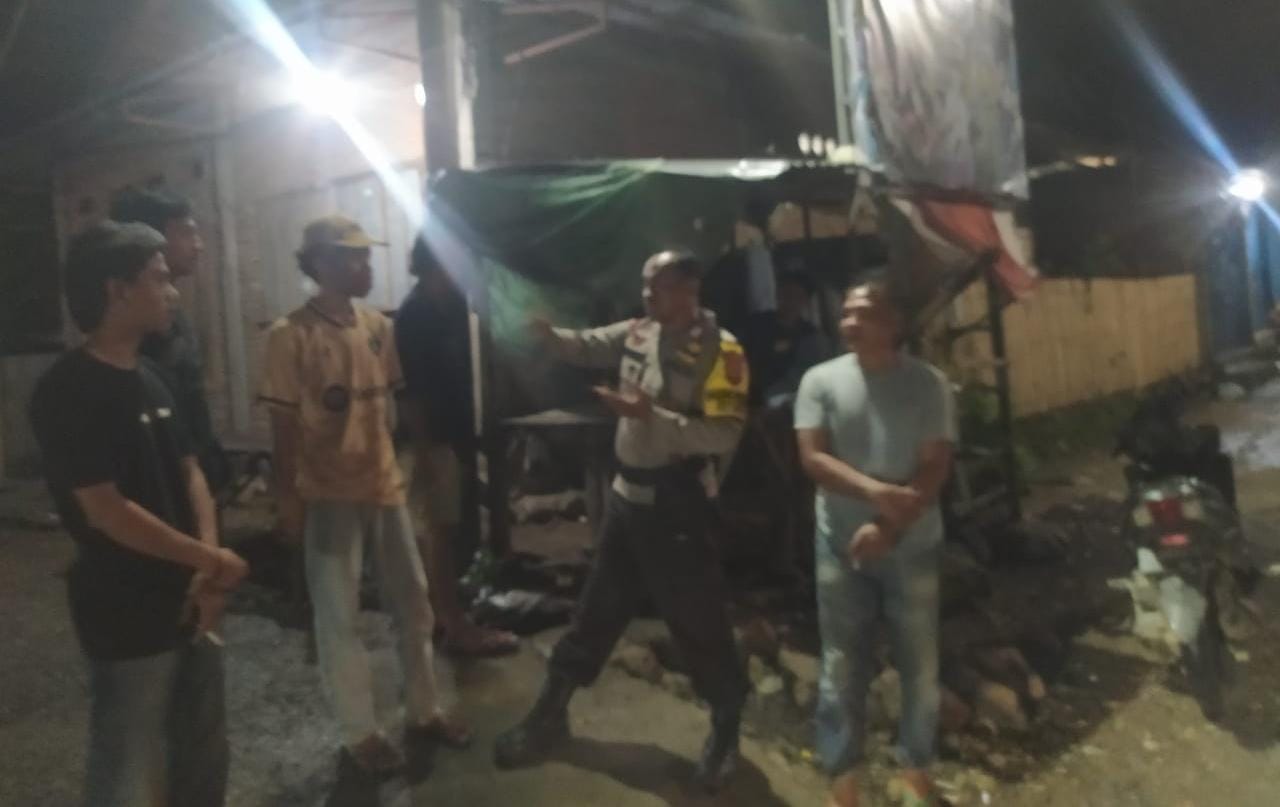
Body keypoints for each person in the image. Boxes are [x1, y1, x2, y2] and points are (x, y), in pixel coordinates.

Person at [494, 249, 752, 791]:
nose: (647, 295)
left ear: (690, 290)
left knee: (699, 619)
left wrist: (650, 416)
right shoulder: (639, 332)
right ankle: (550, 715)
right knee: (596, 610)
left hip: (677, 505)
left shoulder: (722, 352)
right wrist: (550, 336)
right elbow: (589, 345)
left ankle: (726, 729)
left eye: (658, 286)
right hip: (626, 499)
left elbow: (725, 432)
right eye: (644, 285)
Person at [29, 220, 249, 807]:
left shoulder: (153, 377)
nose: (173, 291)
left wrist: (207, 567)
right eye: (158, 278)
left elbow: (190, 471)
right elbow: (106, 511)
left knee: (202, 747)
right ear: (116, 290)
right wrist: (209, 559)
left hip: (192, 595)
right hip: (125, 606)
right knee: (131, 758)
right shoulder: (68, 391)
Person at [258, 215, 470, 777]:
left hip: (383, 484)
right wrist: (288, 498)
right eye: (352, 257)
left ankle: (424, 710)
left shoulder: (378, 325)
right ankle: (360, 734)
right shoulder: (290, 335)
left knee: (414, 603)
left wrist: (414, 464)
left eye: (366, 256)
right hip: (329, 492)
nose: (365, 266)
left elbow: (392, 407)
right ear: (319, 263)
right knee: (339, 616)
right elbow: (283, 428)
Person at [793, 278, 955, 807]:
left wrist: (887, 527)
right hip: (839, 541)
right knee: (840, 660)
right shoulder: (819, 381)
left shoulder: (928, 384)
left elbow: (934, 467)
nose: (850, 322)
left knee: (919, 661)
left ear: (893, 324)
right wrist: (875, 493)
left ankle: (915, 771)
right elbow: (813, 458)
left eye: (863, 313)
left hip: (912, 545)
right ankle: (842, 780)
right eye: (846, 312)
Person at [395, 237, 518, 656]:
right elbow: (410, 394)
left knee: (444, 531)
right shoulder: (416, 315)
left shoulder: (449, 308)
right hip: (431, 442)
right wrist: (426, 453)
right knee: (438, 534)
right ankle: (453, 625)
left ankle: (439, 618)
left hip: (451, 438)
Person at [109, 187, 229, 496]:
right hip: (162, 490)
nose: (199, 245)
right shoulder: (130, 331)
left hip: (192, 479)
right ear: (152, 239)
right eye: (187, 233)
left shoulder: (174, 319)